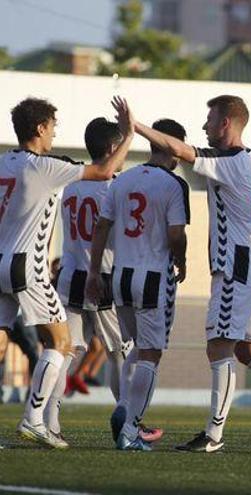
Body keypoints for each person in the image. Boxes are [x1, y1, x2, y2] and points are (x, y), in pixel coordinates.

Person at [126, 95, 251, 453]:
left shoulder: (230, 160)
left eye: (209, 119)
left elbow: (181, 151)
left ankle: (214, 435)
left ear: (226, 123)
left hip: (235, 265)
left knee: (218, 346)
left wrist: (136, 126)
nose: (204, 127)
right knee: (248, 348)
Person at [0, 96, 132, 448]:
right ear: (40, 128)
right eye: (53, 127)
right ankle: (35, 420)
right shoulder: (44, 166)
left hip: (4, 262)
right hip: (27, 266)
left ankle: (47, 419)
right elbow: (104, 171)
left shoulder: (4, 162)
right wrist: (130, 133)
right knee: (60, 343)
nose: (55, 134)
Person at [87, 115, 190, 451]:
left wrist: (92, 272)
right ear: (172, 149)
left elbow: (101, 228)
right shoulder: (174, 185)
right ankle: (131, 428)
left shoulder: (122, 179)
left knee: (134, 347)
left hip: (120, 276)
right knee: (151, 353)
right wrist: (183, 260)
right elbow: (176, 234)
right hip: (152, 278)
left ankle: (123, 408)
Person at [52, 117, 137, 442]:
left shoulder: (72, 185)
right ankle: (127, 420)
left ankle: (50, 421)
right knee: (121, 352)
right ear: (114, 148)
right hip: (101, 276)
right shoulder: (114, 186)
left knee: (64, 351)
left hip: (70, 275)